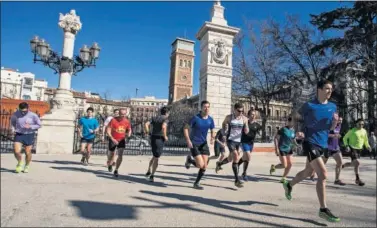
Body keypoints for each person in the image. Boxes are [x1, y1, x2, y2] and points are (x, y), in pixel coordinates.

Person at [282, 79, 340, 222]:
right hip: (310, 143)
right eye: (327, 88)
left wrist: (334, 122)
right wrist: (298, 131)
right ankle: (323, 209)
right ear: (319, 89)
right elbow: (295, 116)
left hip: (323, 144)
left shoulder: (333, 107)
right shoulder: (309, 105)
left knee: (308, 172)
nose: (330, 91)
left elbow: (331, 128)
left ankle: (289, 185)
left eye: (331, 89)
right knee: (323, 175)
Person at [215, 103, 249, 188]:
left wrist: (246, 130)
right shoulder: (229, 117)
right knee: (236, 157)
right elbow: (223, 124)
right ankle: (237, 180)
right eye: (239, 111)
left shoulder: (244, 119)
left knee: (230, 159)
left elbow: (247, 129)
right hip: (231, 140)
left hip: (239, 141)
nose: (241, 113)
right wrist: (224, 131)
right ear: (234, 110)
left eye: (242, 111)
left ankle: (219, 164)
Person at [183, 100, 215, 190]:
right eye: (205, 107)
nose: (207, 109)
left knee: (204, 166)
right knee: (200, 165)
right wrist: (188, 140)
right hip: (194, 143)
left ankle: (196, 183)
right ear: (201, 108)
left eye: (208, 107)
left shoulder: (210, 119)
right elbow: (185, 128)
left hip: (203, 143)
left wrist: (212, 137)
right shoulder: (195, 118)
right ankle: (190, 161)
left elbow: (212, 129)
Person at [10, 102, 41, 173]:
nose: (23, 113)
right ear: (19, 109)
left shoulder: (33, 115)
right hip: (19, 134)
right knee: (16, 151)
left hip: (29, 134)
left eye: (25, 111)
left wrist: (31, 126)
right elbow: (12, 123)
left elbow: (39, 125)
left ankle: (27, 165)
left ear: (28, 108)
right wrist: (13, 130)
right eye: (21, 111)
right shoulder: (15, 114)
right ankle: (20, 163)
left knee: (28, 152)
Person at [270, 116, 302, 183]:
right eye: (292, 121)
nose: (293, 123)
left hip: (289, 149)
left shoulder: (293, 130)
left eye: (294, 121)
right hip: (282, 148)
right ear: (289, 121)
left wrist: (297, 145)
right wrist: (276, 149)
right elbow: (276, 138)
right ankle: (274, 167)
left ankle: (284, 178)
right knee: (284, 165)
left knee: (290, 164)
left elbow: (293, 140)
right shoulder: (283, 129)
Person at [342, 118, 371, 186]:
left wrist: (368, 146)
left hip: (359, 149)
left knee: (354, 164)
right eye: (359, 124)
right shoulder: (352, 130)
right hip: (352, 148)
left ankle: (343, 165)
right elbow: (345, 138)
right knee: (357, 163)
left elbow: (365, 140)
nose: (361, 125)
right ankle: (357, 179)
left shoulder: (364, 131)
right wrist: (347, 146)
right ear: (356, 124)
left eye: (362, 124)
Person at [144, 106, 169, 182]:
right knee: (157, 157)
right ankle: (152, 175)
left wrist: (148, 132)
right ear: (167, 113)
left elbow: (146, 124)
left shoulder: (154, 118)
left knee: (155, 156)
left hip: (153, 138)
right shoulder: (166, 119)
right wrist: (165, 136)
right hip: (160, 139)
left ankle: (149, 170)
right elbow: (164, 127)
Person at [106, 108, 132, 177]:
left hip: (122, 140)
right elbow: (108, 130)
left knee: (120, 155)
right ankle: (110, 163)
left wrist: (129, 134)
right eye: (121, 114)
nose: (123, 116)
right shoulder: (113, 120)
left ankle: (116, 170)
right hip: (113, 139)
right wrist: (112, 138)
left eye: (124, 114)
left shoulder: (127, 121)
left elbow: (129, 129)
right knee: (111, 155)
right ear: (119, 113)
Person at [239, 109, 262, 181]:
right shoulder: (245, 123)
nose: (253, 116)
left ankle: (239, 166)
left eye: (254, 115)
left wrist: (259, 133)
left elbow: (259, 132)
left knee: (245, 158)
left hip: (251, 143)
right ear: (248, 115)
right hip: (244, 142)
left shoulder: (257, 125)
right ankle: (244, 173)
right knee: (248, 156)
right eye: (252, 114)